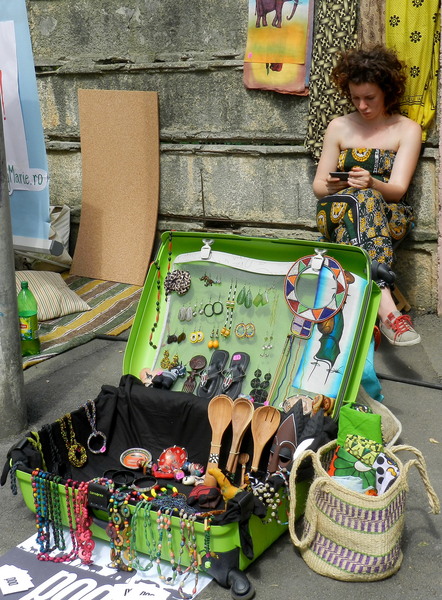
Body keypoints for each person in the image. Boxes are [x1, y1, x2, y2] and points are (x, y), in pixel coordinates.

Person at [312, 45, 422, 347]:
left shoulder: (407, 129)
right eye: (355, 98)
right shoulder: (338, 126)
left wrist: (372, 183)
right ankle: (390, 315)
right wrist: (333, 187)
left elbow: (397, 190)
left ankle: (374, 308)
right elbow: (318, 186)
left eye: (369, 97)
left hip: (389, 215)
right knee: (358, 200)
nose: (361, 105)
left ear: (386, 91)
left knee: (367, 199)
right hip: (336, 213)